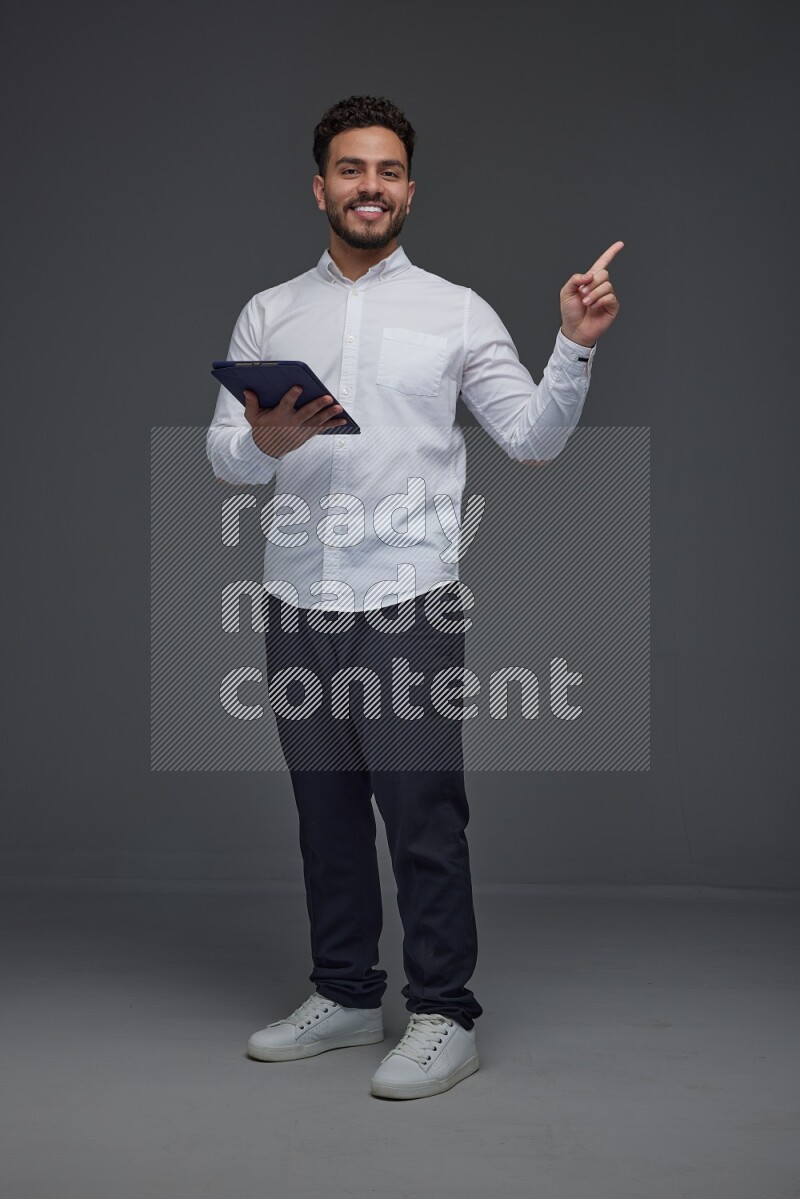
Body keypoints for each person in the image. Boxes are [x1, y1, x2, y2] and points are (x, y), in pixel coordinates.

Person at [206, 95, 622, 1101]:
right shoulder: (270, 310)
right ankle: (346, 993)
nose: (369, 186)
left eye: (387, 171)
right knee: (326, 812)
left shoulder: (455, 310)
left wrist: (571, 343)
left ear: (408, 189)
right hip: (298, 600)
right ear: (320, 187)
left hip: (407, 602)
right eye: (350, 169)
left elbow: (529, 436)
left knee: (421, 810)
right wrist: (264, 439)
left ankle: (442, 1011)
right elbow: (224, 455)